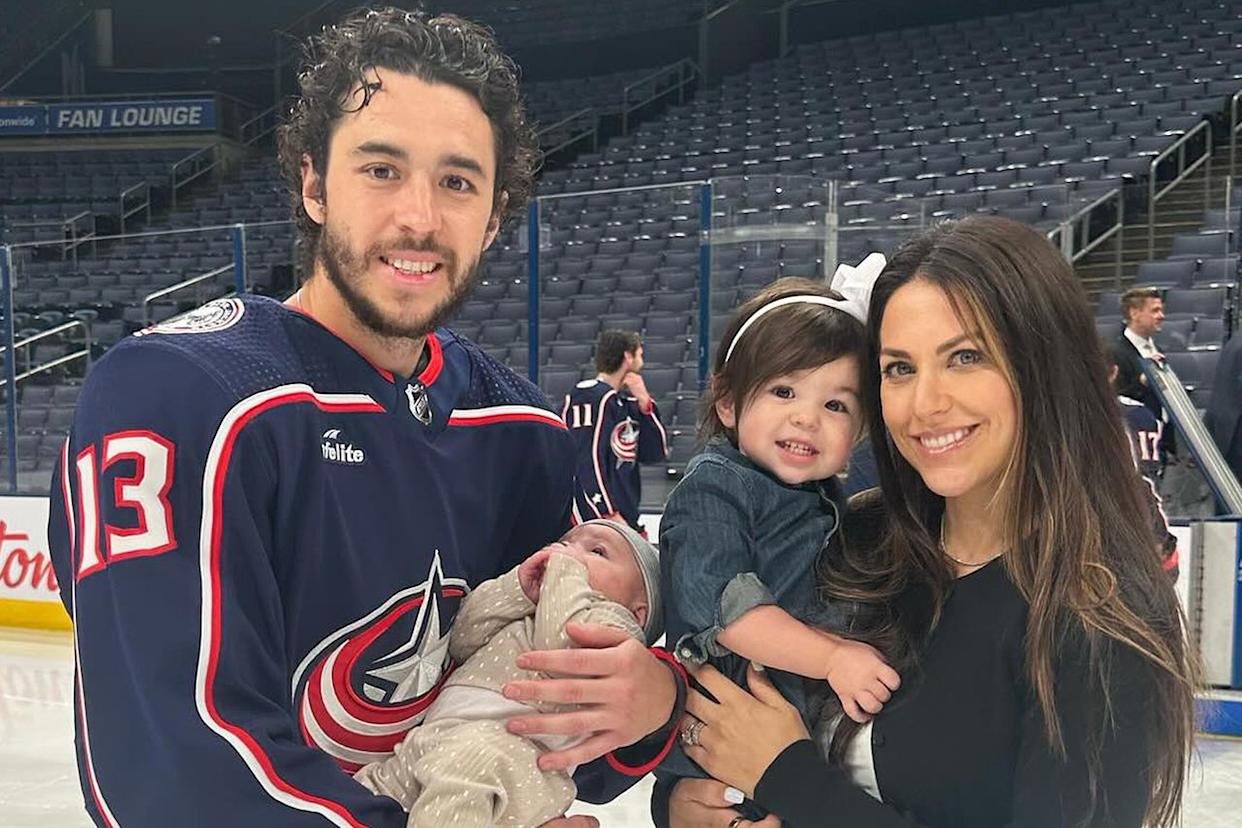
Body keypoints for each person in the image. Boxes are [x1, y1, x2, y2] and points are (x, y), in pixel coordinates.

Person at [47, 9, 681, 827]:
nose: (418, 217)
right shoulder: (176, 396)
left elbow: (549, 728)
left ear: (492, 218)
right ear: (313, 185)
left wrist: (653, 700)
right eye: (381, 169)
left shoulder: (524, 434)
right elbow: (172, 773)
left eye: (457, 181)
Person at [662, 216, 1196, 828]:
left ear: (1044, 366)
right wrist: (685, 804)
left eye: (964, 357)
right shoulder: (854, 537)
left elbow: (781, 769)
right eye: (899, 368)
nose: (925, 404)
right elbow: (711, 648)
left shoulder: (1102, 614)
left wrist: (788, 779)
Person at [658, 271, 900, 821]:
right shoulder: (715, 488)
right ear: (727, 403)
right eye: (784, 391)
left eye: (836, 405)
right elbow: (728, 610)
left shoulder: (829, 500)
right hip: (724, 753)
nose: (806, 417)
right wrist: (834, 657)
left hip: (791, 750)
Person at [355, 519, 664, 827]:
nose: (567, 549)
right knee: (369, 791)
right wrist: (515, 589)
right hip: (436, 739)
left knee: (459, 782)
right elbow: (462, 639)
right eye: (567, 541)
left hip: (511, 760)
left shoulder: (617, 628)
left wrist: (566, 570)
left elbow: (560, 646)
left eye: (597, 551)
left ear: (640, 612)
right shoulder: (531, 608)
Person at [563, 329, 669, 531]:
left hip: (626, 516)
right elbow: (586, 459)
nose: (643, 362)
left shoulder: (628, 402)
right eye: (640, 354)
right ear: (628, 357)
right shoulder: (590, 396)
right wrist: (607, 511)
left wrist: (645, 404)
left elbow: (655, 454)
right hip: (599, 519)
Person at [1113, 286, 1166, 420]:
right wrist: (1141, 382)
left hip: (1164, 434)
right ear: (1134, 313)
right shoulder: (1114, 353)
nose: (1161, 316)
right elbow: (1114, 397)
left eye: (1161, 310)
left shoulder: (1159, 350)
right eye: (1155, 311)